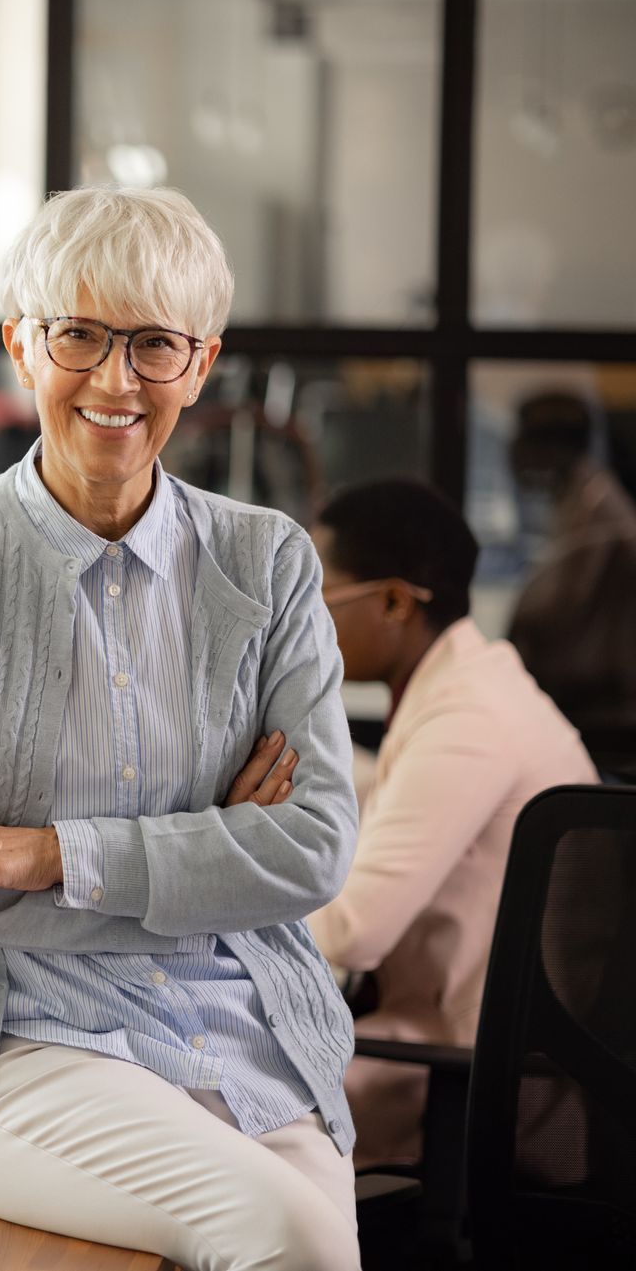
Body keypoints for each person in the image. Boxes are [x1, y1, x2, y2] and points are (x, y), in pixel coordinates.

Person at [0, 186, 363, 1270]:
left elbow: (314, 847)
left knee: (321, 1246)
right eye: (79, 334)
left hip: (245, 1028)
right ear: (21, 346)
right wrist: (205, 861)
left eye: (154, 345)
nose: (114, 379)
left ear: (203, 361)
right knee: (296, 1242)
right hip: (20, 1040)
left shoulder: (266, 561)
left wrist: (43, 855)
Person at [305, 479, 596, 1166]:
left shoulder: (470, 719)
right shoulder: (466, 682)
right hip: (464, 1035)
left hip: (468, 1068)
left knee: (215, 1103)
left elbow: (354, 929)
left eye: (318, 596)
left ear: (395, 602)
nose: (301, 617)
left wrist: (212, 915)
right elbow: (389, 790)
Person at [505, 390, 636, 730]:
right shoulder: (577, 495)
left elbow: (553, 607)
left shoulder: (597, 509)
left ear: (552, 447)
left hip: (598, 698)